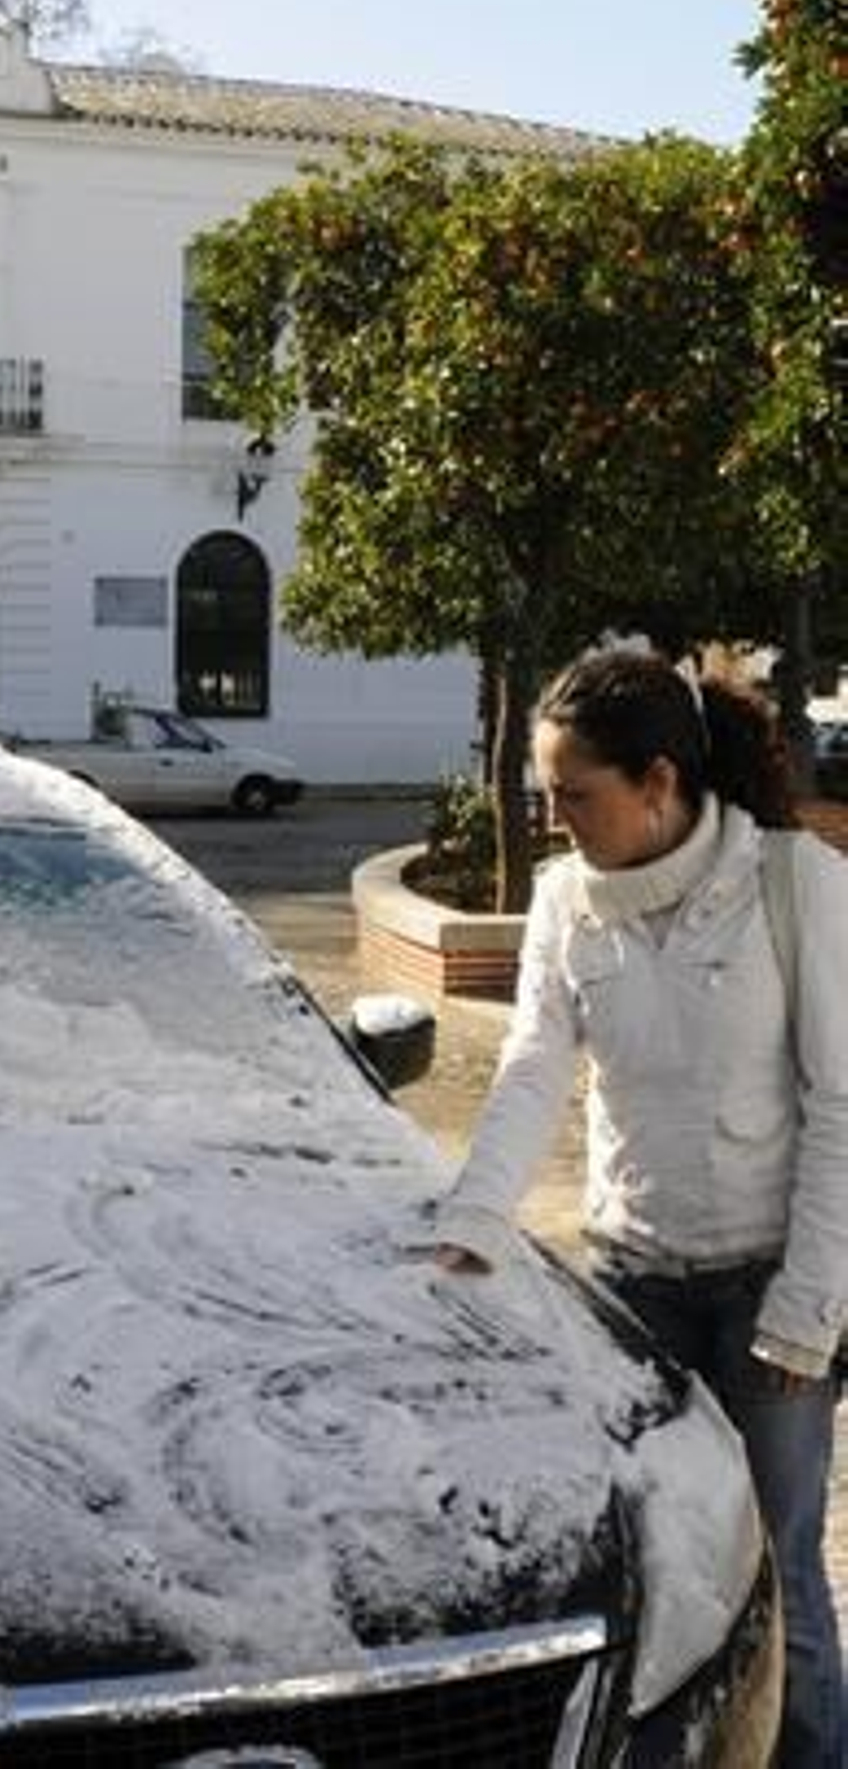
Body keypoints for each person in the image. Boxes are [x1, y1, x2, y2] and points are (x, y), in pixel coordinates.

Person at [432, 647, 847, 1768]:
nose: (553, 819)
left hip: (769, 1290)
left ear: (657, 782)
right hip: (630, 1281)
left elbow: (840, 1104)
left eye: (575, 795)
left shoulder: (792, 883)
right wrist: (471, 1218)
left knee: (777, 1570)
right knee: (643, 1567)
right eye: (545, 794)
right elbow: (530, 1066)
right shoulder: (568, 900)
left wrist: (808, 1313)